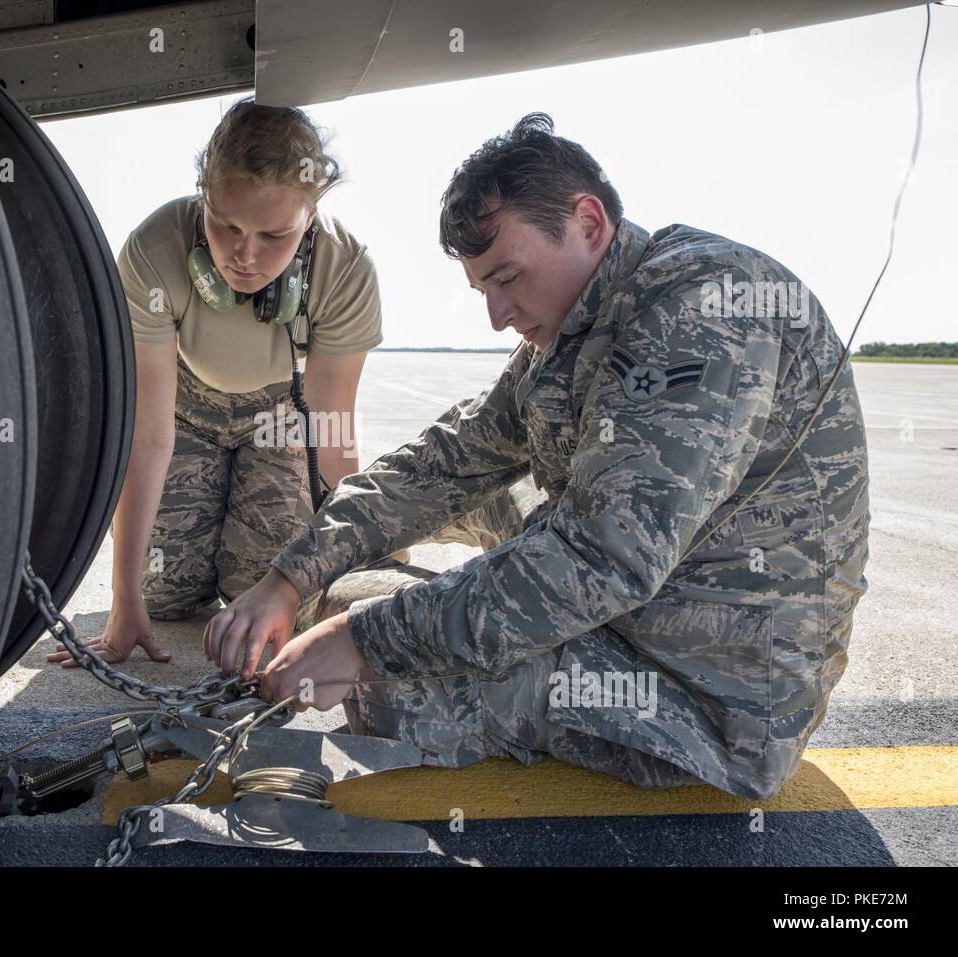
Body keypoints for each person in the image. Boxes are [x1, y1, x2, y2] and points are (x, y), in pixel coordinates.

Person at [204, 112, 870, 800]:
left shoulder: (700, 310)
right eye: (483, 289)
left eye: (509, 278)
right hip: (635, 631)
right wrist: (288, 579)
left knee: (385, 677)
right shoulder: (580, 325)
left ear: (587, 223)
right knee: (344, 599)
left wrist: (366, 642)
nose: (496, 314)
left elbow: (603, 556)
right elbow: (446, 463)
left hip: (709, 699)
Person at [51, 97, 383, 666]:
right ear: (202, 195)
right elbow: (148, 434)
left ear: (310, 215)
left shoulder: (344, 268)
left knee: (271, 586)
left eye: (274, 235)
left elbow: (330, 437)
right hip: (184, 414)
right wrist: (124, 599)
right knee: (164, 593)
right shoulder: (155, 250)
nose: (243, 257)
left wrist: (349, 576)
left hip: (281, 418)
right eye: (225, 225)